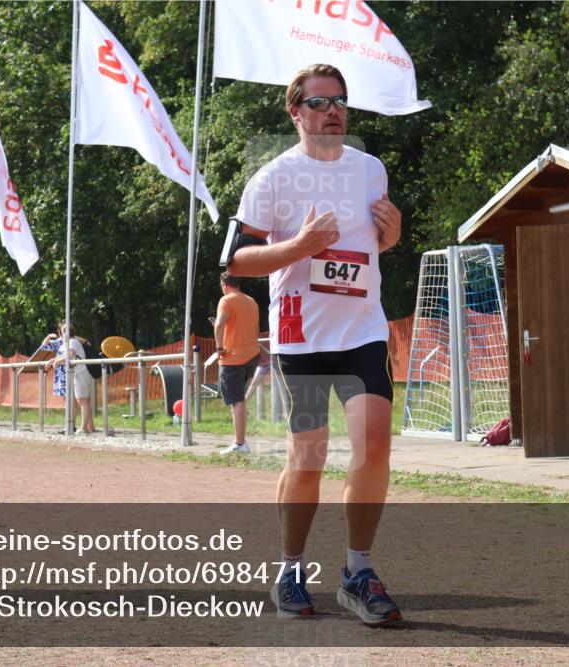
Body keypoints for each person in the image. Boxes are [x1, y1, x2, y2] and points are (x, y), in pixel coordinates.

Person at [228, 64, 403, 625]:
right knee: (308, 456)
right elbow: (235, 261)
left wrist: (392, 236)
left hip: (363, 331)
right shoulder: (273, 178)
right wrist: (299, 246)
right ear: (295, 112)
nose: (333, 111)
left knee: (374, 447)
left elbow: (369, 246)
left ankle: (358, 572)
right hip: (301, 337)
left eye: (340, 101)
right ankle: (290, 570)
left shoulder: (371, 170)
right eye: (320, 102)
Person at [213, 272, 261, 455]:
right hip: (252, 355)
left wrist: (219, 347)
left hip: (233, 357)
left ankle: (240, 443)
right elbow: (254, 329)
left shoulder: (226, 300)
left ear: (224, 285)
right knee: (240, 398)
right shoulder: (251, 301)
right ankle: (241, 439)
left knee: (236, 400)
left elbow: (219, 325)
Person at [41, 321, 95, 434]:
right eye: (63, 330)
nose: (64, 332)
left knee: (83, 401)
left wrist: (55, 361)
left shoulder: (73, 342)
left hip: (81, 373)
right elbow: (62, 354)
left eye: (66, 330)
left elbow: (69, 355)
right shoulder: (69, 342)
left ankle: (84, 428)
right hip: (77, 374)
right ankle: (87, 427)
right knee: (82, 401)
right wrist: (54, 360)